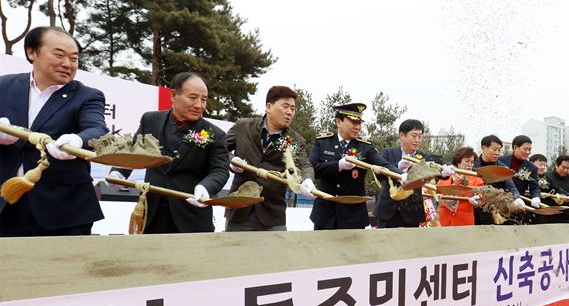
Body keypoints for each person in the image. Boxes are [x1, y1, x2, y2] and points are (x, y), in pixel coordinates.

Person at [0, 26, 108, 237]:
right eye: (59, 55)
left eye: (74, 58)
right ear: (32, 52)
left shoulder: (87, 95)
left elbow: (97, 129)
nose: (67, 64)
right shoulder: (3, 86)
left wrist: (77, 141)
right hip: (5, 201)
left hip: (63, 209)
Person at [109, 72, 229, 233]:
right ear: (173, 95)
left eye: (203, 99)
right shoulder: (150, 120)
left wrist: (206, 187)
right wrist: (118, 172)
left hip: (191, 216)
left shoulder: (215, 133)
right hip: (151, 211)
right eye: (193, 97)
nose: (199, 105)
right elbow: (135, 150)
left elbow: (219, 170)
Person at [225, 86, 315, 231]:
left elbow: (304, 165)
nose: (289, 112)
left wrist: (307, 180)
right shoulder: (243, 127)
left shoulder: (295, 140)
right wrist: (232, 161)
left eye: (293, 108)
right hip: (240, 208)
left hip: (273, 214)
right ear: (269, 106)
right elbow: (220, 150)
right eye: (285, 106)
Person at [309, 103, 402, 230]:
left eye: (359, 123)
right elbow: (312, 169)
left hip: (353, 215)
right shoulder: (323, 142)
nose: (357, 127)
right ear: (338, 121)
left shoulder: (365, 146)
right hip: (325, 214)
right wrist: (338, 165)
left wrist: (401, 175)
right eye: (353, 122)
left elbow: (383, 164)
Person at [374, 119, 452, 228]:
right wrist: (398, 167)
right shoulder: (389, 152)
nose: (417, 140)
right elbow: (379, 175)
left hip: (412, 212)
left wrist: (444, 173)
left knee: (410, 243)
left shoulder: (424, 157)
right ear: (402, 135)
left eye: (420, 137)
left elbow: (433, 172)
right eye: (414, 136)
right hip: (388, 209)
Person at [473, 135, 523, 225]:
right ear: (484, 148)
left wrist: (517, 198)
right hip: (474, 209)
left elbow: (510, 186)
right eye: (494, 149)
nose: (497, 153)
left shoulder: (502, 168)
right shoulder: (473, 165)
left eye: (499, 150)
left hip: (495, 211)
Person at [437, 147, 485, 226]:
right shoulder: (446, 176)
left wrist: (477, 198)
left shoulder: (477, 180)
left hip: (464, 222)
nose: (470, 165)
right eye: (467, 161)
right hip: (443, 220)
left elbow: (481, 195)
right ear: (458, 161)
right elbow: (436, 192)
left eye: (472, 162)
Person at [543, 155, 569, 224]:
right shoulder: (546, 176)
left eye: (568, 168)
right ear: (556, 165)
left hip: (564, 217)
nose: (565, 170)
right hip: (545, 215)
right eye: (563, 167)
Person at [529, 153, 551, 224]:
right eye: (540, 164)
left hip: (542, 213)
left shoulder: (546, 178)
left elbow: (557, 189)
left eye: (544, 165)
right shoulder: (524, 175)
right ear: (531, 163)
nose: (543, 167)